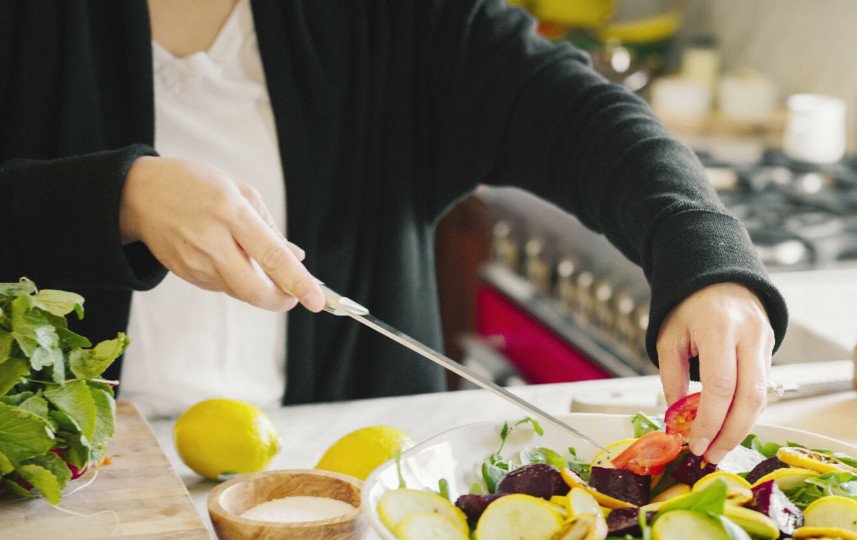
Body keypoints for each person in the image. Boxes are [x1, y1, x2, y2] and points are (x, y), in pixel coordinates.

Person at [0, 0, 787, 463]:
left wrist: (704, 255)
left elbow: (574, 114)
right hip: (59, 492)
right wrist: (120, 198)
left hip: (354, 500)